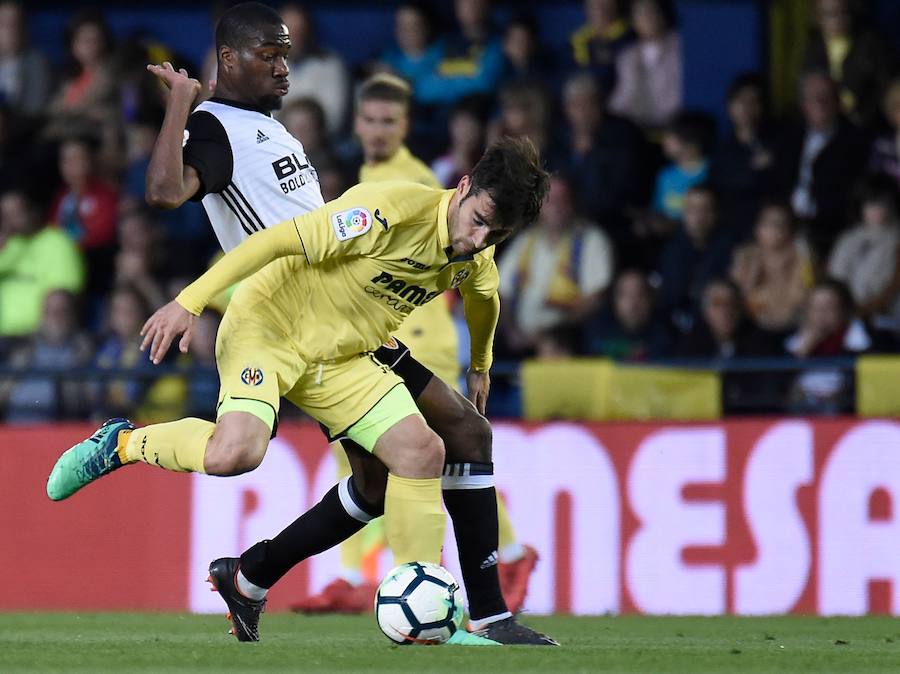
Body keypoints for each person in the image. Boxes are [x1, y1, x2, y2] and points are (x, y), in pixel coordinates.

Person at [48, 2, 554, 647]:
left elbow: (485, 296)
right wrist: (191, 297)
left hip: (343, 333)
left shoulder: (272, 132)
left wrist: (481, 363)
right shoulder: (217, 129)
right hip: (271, 319)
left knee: (410, 459)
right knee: (238, 454)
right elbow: (180, 198)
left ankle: (417, 611)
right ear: (229, 58)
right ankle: (123, 443)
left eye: (288, 54)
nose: (285, 67)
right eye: (271, 55)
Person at [297, 73, 539, 616]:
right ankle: (370, 572)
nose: (378, 131)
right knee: (377, 455)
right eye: (371, 120)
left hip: (414, 336)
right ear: (356, 123)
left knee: (428, 448)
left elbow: (459, 266)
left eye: (389, 122)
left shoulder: (413, 179)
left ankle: (497, 558)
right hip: (391, 335)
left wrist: (476, 361)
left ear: (406, 127)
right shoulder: (371, 173)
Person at [497, 174, 613, 357]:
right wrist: (511, 330)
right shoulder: (526, 240)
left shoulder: (592, 240)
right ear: (540, 206)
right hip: (519, 340)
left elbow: (596, 299)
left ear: (573, 202)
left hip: (567, 338)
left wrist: (552, 333)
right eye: (550, 200)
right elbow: (501, 293)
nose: (557, 207)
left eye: (563, 199)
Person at [0, 188, 84, 338]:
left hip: (39, 338)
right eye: (6, 215)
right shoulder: (7, 245)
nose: (11, 220)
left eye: (16, 213)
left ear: (34, 211)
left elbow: (64, 295)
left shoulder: (58, 242)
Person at [729, 200, 815, 334]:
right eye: (769, 224)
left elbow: (805, 294)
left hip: (795, 326)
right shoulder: (745, 256)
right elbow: (736, 295)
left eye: (781, 224)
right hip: (752, 327)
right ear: (758, 229)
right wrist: (753, 273)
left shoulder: (803, 255)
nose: (776, 230)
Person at [608, 0, 682, 130]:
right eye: (640, 14)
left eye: (651, 12)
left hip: (671, 123)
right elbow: (623, 95)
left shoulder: (680, 48)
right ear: (633, 21)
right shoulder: (627, 56)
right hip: (635, 125)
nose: (647, 18)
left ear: (663, 15)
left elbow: (676, 96)